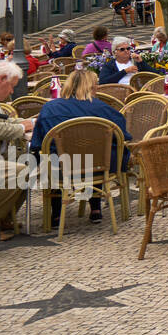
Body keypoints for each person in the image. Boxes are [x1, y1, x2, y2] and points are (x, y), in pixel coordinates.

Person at [30, 69, 129, 226]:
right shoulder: (101, 108)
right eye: (95, 84)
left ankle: (56, 214)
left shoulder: (50, 108)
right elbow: (123, 134)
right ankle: (95, 208)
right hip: (99, 166)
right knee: (97, 149)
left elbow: (38, 142)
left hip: (62, 167)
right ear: (91, 86)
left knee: (52, 156)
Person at [0, 61, 31, 234]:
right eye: (11, 86)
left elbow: (0, 121)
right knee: (23, 172)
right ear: (1, 79)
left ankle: (4, 217)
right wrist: (22, 128)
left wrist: (26, 123)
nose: (12, 91)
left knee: (33, 168)